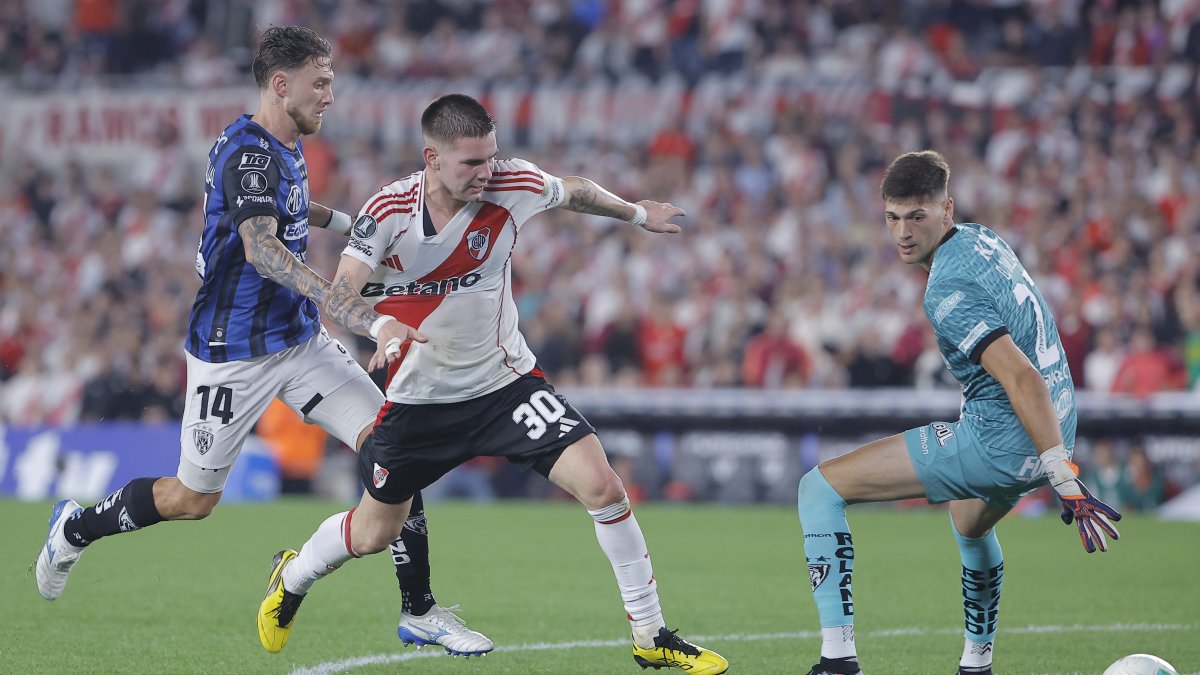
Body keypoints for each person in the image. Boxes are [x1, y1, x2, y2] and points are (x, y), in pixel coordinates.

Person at [34, 26, 493, 658]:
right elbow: (263, 248)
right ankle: (76, 526)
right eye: (321, 82)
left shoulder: (288, 142)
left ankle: (421, 611)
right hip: (232, 355)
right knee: (192, 500)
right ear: (282, 84)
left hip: (299, 344)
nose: (331, 94)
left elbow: (301, 213)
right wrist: (362, 314)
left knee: (394, 450)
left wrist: (367, 226)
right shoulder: (249, 154)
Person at [256, 93, 729, 674]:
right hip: (420, 403)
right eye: (472, 163)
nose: (488, 173)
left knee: (605, 488)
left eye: (492, 158)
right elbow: (339, 290)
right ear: (432, 157)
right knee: (375, 532)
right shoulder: (388, 212)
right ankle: (293, 577)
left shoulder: (513, 184)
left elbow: (575, 189)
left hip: (506, 386)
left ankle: (652, 635)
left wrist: (636, 214)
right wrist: (379, 328)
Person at [796, 151, 1122, 675]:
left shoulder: (946, 289)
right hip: (1057, 422)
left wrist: (1064, 476)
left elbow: (1020, 378)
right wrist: (1055, 454)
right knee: (968, 522)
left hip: (1010, 438)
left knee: (818, 490)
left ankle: (838, 662)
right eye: (892, 217)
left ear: (945, 210)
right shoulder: (985, 239)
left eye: (916, 216)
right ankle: (976, 664)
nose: (902, 232)